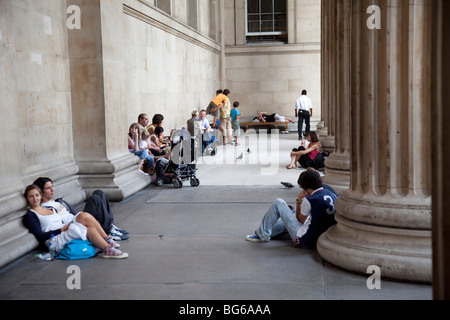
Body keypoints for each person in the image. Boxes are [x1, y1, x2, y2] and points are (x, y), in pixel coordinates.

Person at [23, 185, 128, 259]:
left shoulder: (50, 208)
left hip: (66, 230)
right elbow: (40, 236)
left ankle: (107, 244)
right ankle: (107, 247)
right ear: (27, 199)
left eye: (37, 195)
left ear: (40, 196)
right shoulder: (30, 215)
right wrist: (62, 229)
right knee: (87, 227)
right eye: (31, 196)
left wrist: (67, 226)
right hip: (55, 238)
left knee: (86, 221)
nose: (35, 198)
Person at [245, 169, 337, 249]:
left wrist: (298, 200)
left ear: (306, 187)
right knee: (290, 213)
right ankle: (264, 232)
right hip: (319, 236)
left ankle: (262, 235)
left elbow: (300, 220)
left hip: (303, 240)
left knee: (279, 202)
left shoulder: (310, 200)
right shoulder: (331, 194)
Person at [32, 177, 130, 241]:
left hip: (78, 218)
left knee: (99, 192)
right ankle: (108, 230)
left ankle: (110, 225)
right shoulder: (45, 209)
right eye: (48, 188)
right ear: (41, 191)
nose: (53, 190)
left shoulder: (56, 202)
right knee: (94, 199)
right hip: (76, 224)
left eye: (52, 187)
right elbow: (59, 223)